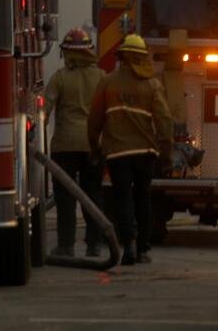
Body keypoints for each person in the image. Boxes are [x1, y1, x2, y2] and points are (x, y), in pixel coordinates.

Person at [88, 34, 174, 266]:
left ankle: (129, 245)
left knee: (122, 198)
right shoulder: (152, 85)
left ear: (122, 57)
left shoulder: (108, 82)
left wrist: (94, 147)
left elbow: (94, 119)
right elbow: (164, 120)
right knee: (143, 198)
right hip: (146, 153)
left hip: (117, 153)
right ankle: (144, 249)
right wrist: (167, 151)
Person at [44, 27, 106, 258]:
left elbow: (44, 109)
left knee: (65, 198)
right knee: (93, 194)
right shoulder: (101, 77)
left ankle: (66, 246)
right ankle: (95, 244)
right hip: (94, 145)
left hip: (65, 146)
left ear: (67, 52)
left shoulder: (60, 78)